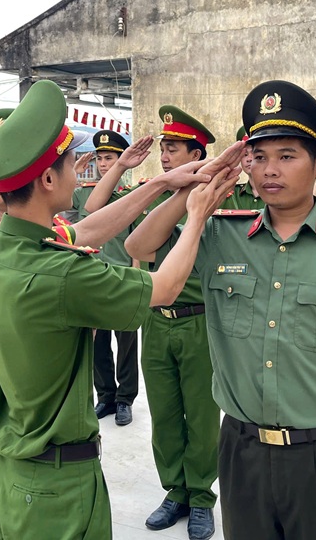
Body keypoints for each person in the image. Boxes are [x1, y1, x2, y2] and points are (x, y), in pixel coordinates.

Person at [0, 79, 242, 540]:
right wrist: (195, 214)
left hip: (12, 474)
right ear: (48, 180)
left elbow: (86, 230)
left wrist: (163, 185)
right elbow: (166, 286)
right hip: (59, 491)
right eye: (72, 162)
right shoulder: (63, 275)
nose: (80, 170)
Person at [125, 80, 316, 540]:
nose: (269, 170)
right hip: (242, 450)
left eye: (287, 156)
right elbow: (139, 246)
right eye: (258, 157)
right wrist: (191, 193)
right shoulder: (220, 234)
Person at [85, 106, 221, 540]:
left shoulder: (219, 196)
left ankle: (201, 497)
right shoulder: (154, 194)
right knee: (164, 414)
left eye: (174, 149)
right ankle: (175, 491)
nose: (164, 157)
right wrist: (123, 168)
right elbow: (93, 209)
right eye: (163, 149)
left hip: (200, 321)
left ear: (197, 154)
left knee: (201, 416)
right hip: (158, 320)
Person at [72, 130, 140, 427]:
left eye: (109, 158)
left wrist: (137, 274)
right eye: (99, 158)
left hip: (122, 277)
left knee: (126, 344)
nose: (102, 164)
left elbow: (138, 238)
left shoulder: (131, 195)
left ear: (122, 160)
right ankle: (106, 396)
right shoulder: (83, 194)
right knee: (97, 344)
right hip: (92, 277)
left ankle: (125, 399)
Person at [221, 126, 262, 211]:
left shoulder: (283, 194)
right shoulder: (230, 195)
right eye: (245, 154)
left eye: (255, 153)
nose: (249, 159)